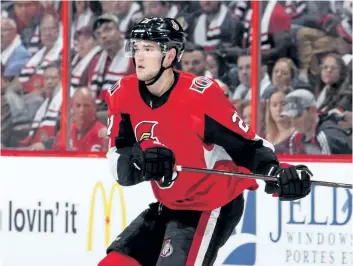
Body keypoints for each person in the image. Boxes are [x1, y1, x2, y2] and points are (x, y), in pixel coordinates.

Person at [99, 17, 313, 266]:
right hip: (169, 204)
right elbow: (118, 158)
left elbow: (249, 147)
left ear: (169, 56)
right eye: (136, 48)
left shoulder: (200, 97)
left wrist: (275, 172)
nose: (139, 57)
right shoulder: (122, 95)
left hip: (211, 204)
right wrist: (139, 163)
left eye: (148, 49)